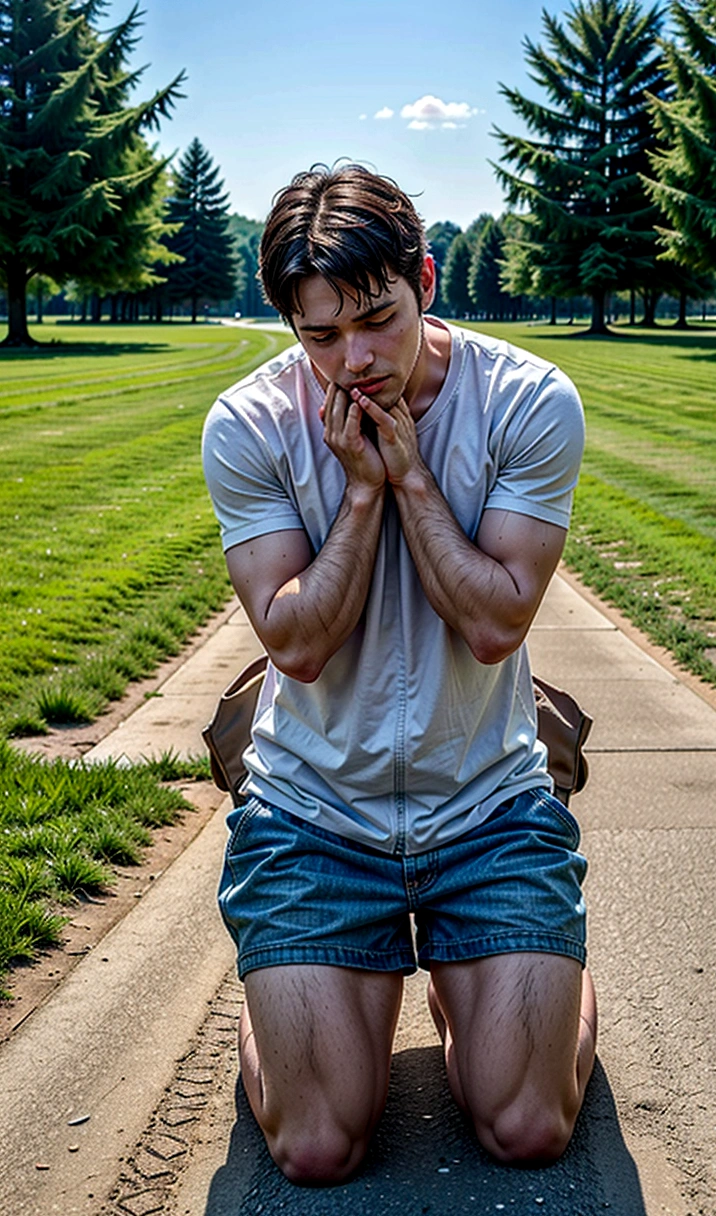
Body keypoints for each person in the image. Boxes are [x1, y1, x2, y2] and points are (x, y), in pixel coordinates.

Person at [202, 163, 596, 1185]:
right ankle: (301, 998)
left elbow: (493, 625)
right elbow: (294, 645)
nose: (354, 359)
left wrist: (412, 474)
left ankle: (519, 977)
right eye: (318, 335)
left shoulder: (527, 401)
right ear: (289, 322)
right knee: (318, 1143)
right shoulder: (247, 425)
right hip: (311, 810)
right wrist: (362, 497)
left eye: (377, 318)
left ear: (424, 277)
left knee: (526, 1125)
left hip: (490, 804)